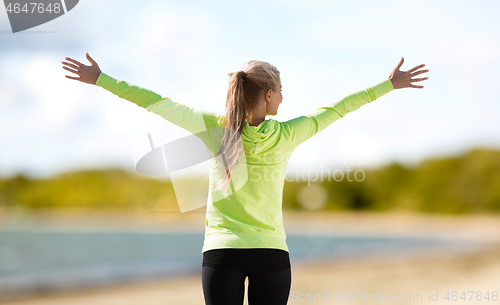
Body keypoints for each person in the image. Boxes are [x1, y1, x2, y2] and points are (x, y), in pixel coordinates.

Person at [62, 53, 429, 305]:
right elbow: (341, 107)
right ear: (269, 95)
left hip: (221, 253)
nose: (283, 98)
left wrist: (102, 80)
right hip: (271, 253)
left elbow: (155, 101)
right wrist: (388, 85)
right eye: (281, 92)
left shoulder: (213, 128)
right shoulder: (289, 133)